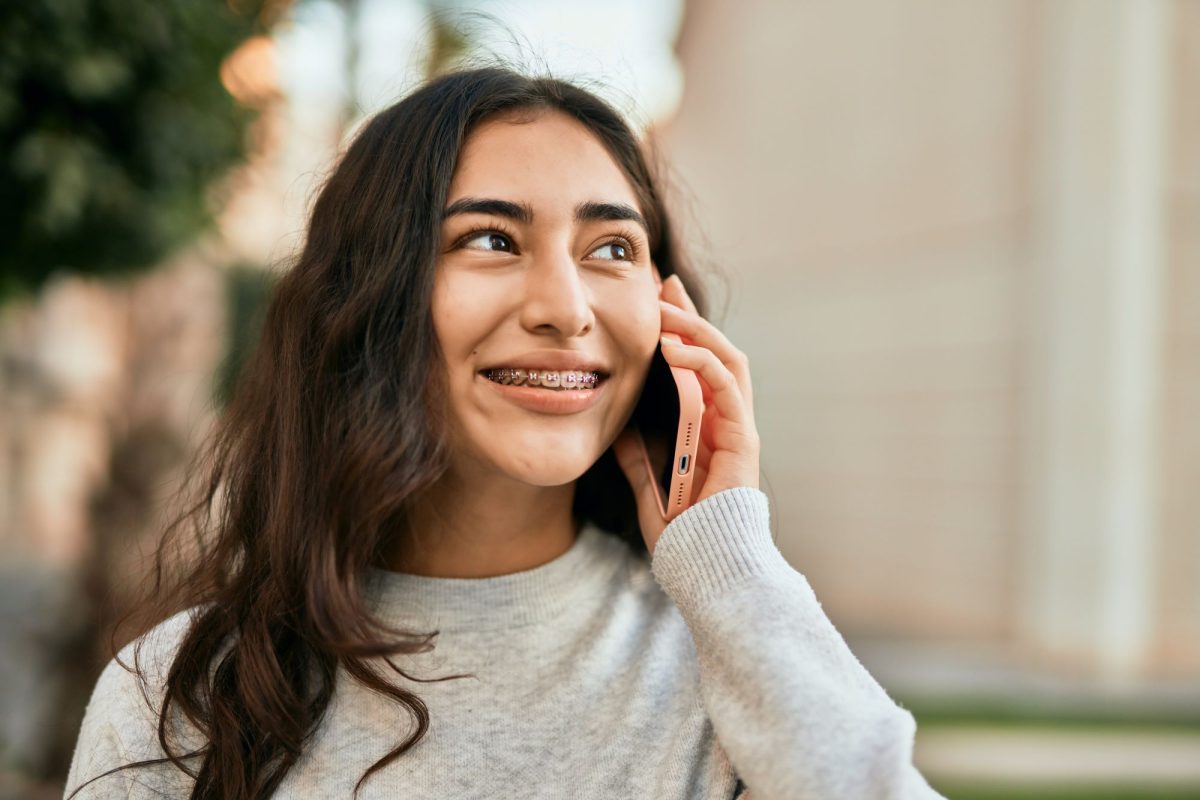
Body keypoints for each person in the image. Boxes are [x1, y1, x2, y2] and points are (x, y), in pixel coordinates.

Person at [64, 64, 947, 800]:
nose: (566, 309)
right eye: (490, 239)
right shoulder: (183, 696)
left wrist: (735, 567)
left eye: (612, 249)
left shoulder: (740, 671)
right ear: (370, 299)